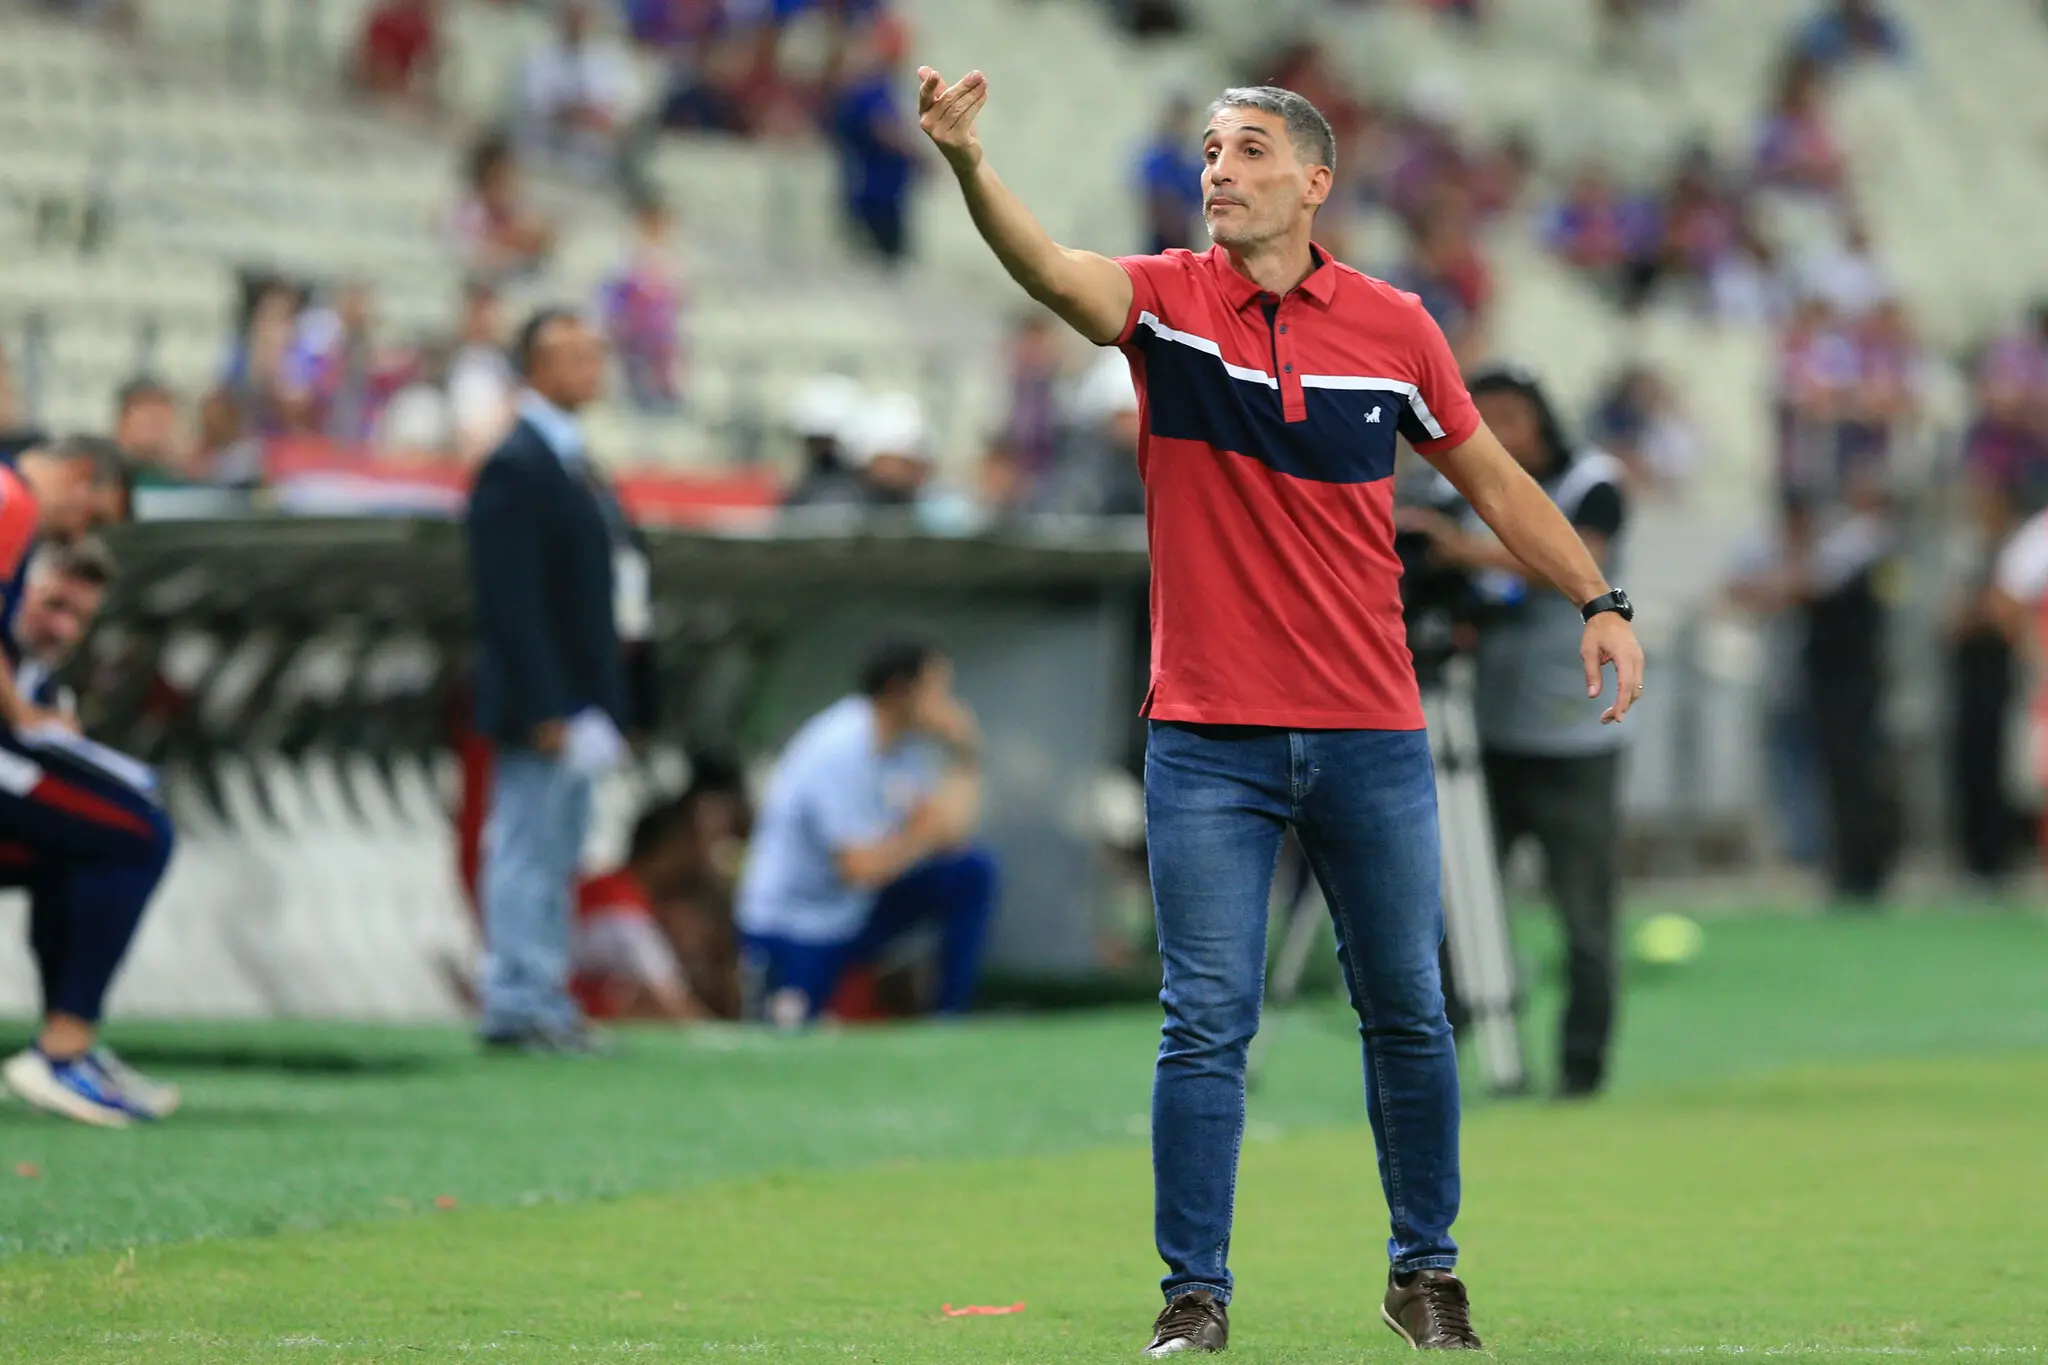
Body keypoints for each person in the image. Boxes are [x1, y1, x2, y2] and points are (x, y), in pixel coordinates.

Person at [915, 70, 1645, 1352]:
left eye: (1247, 150)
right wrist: (971, 165)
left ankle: (1424, 1274)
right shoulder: (1163, 305)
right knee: (1205, 1022)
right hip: (1206, 738)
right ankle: (1192, 1298)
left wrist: (1598, 594)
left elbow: (1492, 481)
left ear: (1313, 181)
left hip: (1370, 731)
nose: (1216, 169)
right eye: (1206, 149)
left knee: (1409, 1014)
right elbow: (1047, 273)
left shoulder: (1393, 326)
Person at [1397, 366, 1632, 1098]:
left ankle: (1580, 1069)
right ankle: (1441, 1057)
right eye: (1483, 415)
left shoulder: (1593, 481)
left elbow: (1573, 559)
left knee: (1584, 918)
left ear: (1544, 419)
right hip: (1486, 726)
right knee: (1454, 906)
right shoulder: (1455, 484)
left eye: (1512, 416)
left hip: (1574, 736)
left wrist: (1458, 548)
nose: (1499, 432)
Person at [466, 309, 634, 1053]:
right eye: (570, 356)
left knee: (557, 846)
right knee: (526, 845)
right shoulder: (518, 464)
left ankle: (542, 991)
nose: (588, 368)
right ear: (532, 367)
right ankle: (515, 996)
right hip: (548, 701)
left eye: (593, 352)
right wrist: (542, 701)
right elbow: (511, 600)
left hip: (578, 698)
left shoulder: (569, 460)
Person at [0, 443, 174, 1127]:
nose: (80, 533)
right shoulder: (13, 501)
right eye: (87, 516)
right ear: (76, 478)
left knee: (75, 847)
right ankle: (62, 1051)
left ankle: (67, 1046)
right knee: (136, 833)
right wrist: (24, 715)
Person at [736, 638, 996, 1024]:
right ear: (898, 690)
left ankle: (949, 1017)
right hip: (797, 922)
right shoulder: (840, 747)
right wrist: (922, 836)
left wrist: (966, 752)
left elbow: (954, 835)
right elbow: (858, 870)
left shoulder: (907, 749)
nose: (947, 703)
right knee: (788, 1030)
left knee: (972, 871)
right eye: (936, 689)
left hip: (852, 911)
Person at [518, 0, 637, 174]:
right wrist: (575, 113)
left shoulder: (610, 61)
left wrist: (599, 117)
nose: (579, 22)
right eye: (574, 14)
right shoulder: (541, 57)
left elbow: (624, 114)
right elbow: (536, 106)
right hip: (548, 151)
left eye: (584, 15)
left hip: (598, 161)